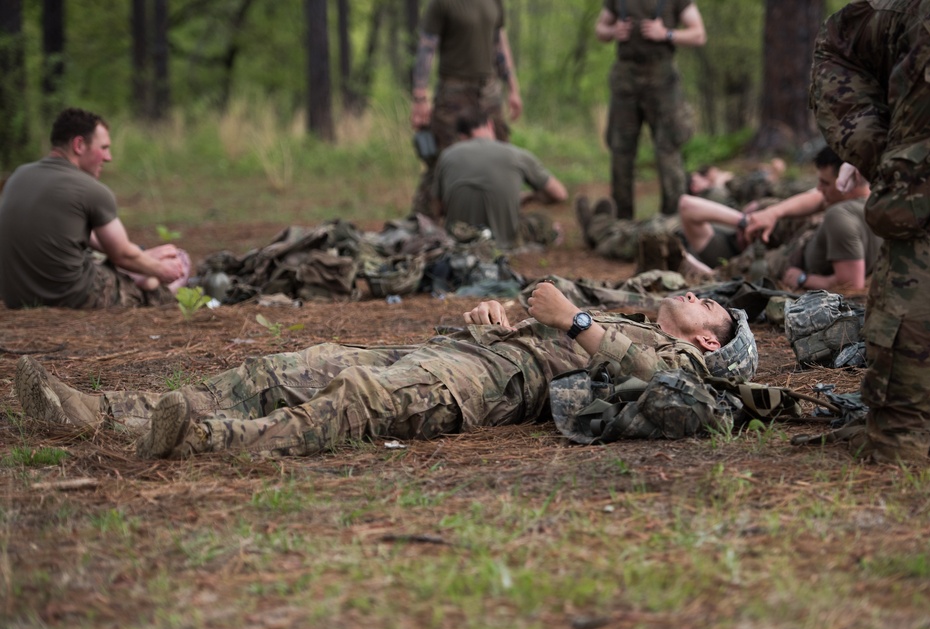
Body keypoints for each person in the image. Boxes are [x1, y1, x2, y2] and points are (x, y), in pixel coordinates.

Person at [14, 282, 757, 460]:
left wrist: (576, 321)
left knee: (359, 397)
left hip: (491, 388)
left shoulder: (682, 370)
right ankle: (98, 412)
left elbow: (683, 408)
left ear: (709, 346)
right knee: (294, 364)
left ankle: (202, 439)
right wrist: (501, 311)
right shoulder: (625, 308)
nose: (699, 294)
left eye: (713, 307)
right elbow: (553, 315)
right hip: (467, 352)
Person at [810, 1, 930, 463]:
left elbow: (902, 186)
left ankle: (897, 438)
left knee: (924, 234)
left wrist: (902, 180)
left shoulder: (844, 42)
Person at [0, 108, 189, 309]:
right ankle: (158, 286)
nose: (109, 158)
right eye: (104, 147)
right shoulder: (91, 189)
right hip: (71, 297)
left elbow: (67, 234)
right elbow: (121, 255)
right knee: (156, 284)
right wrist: (163, 270)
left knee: (131, 262)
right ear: (79, 145)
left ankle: (137, 271)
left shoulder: (18, 177)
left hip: (14, 296)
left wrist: (142, 256)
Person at [681, 146, 879, 291]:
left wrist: (803, 279)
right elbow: (816, 199)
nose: (819, 188)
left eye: (825, 183)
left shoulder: (839, 215)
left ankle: (690, 264)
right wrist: (770, 213)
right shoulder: (877, 203)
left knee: (715, 279)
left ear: (849, 179)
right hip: (797, 244)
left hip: (790, 261)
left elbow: (852, 284)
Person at [410, 0, 522, 217]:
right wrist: (420, 96)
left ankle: (499, 217)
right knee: (444, 157)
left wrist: (513, 88)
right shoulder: (441, 4)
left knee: (499, 151)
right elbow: (427, 47)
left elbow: (499, 42)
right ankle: (424, 220)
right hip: (454, 88)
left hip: (488, 88)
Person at [595, 0, 706, 221]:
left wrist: (667, 34)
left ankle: (674, 219)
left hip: (662, 78)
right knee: (621, 149)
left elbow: (699, 34)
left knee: (668, 147)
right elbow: (600, 29)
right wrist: (613, 30)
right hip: (625, 77)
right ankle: (621, 220)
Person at [433, 111, 568, 249]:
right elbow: (560, 194)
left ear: (462, 136)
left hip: (458, 240)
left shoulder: (446, 156)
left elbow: (438, 208)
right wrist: (531, 197)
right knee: (542, 220)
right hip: (504, 243)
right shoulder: (517, 154)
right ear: (490, 125)